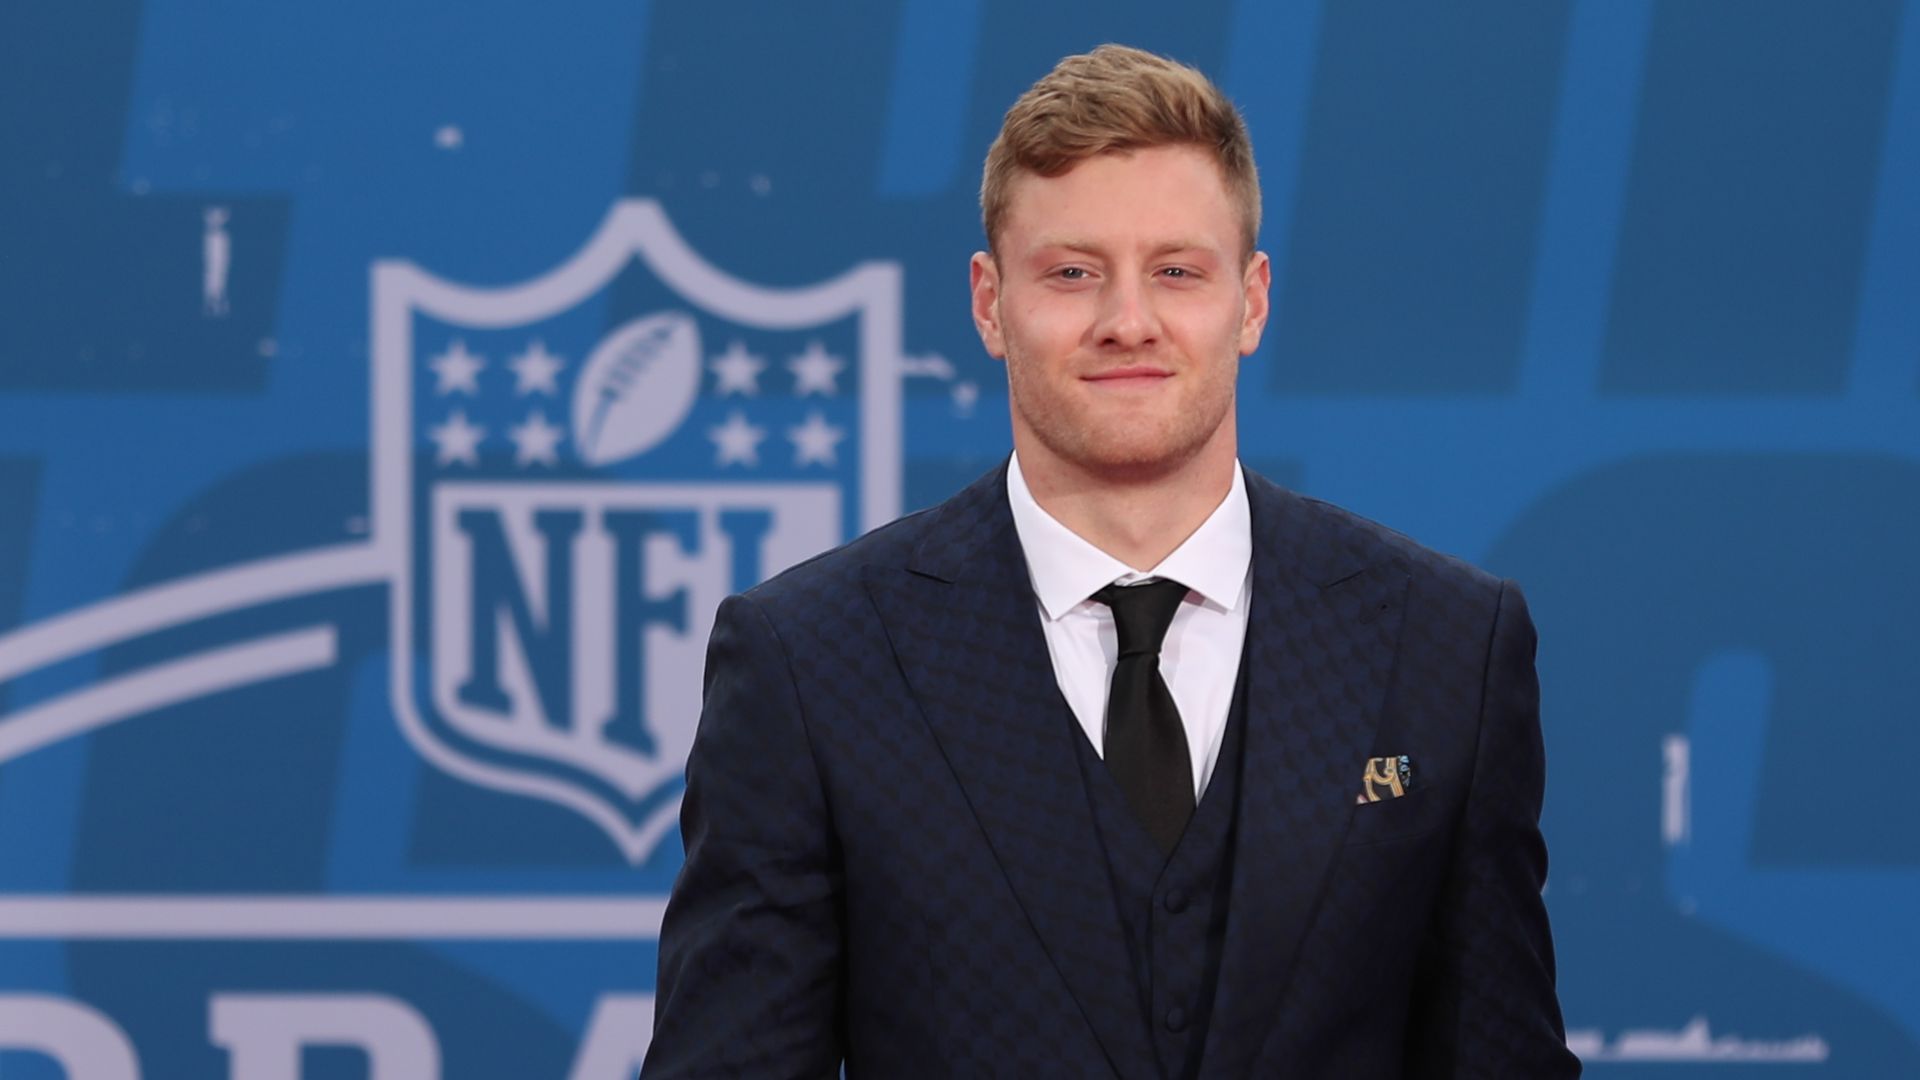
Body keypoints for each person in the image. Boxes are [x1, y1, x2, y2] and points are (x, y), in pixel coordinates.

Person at [644, 44, 1578, 1079]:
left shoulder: (1444, 645)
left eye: (1176, 271)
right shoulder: (810, 663)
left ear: (1253, 300)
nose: (1127, 321)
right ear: (990, 304)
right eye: (1072, 274)